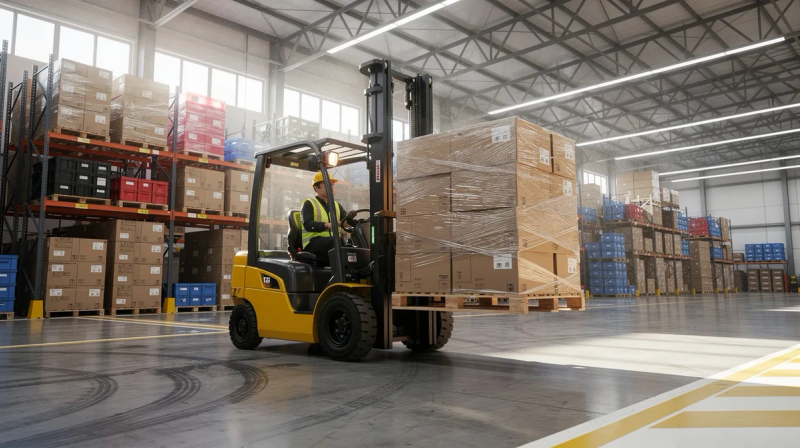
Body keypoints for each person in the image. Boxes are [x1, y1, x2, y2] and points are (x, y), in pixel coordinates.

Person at [301, 172, 357, 264]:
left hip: (333, 242)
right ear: (316, 188)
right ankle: (338, 274)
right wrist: (327, 225)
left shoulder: (336, 205)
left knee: (352, 247)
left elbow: (345, 223)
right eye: (327, 184)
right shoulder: (309, 203)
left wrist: (350, 219)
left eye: (332, 184)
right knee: (335, 242)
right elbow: (308, 224)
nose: (331, 186)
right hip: (312, 243)